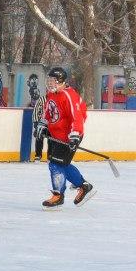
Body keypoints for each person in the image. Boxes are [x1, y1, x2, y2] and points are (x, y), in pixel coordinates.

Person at [37, 67, 94, 209]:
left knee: (55, 165)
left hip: (69, 136)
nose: (50, 83)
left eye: (53, 81)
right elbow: (48, 112)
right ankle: (84, 185)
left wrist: (74, 135)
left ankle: (58, 195)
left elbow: (78, 117)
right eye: (49, 80)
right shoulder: (51, 94)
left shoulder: (69, 95)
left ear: (61, 81)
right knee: (62, 164)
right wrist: (43, 125)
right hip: (57, 136)